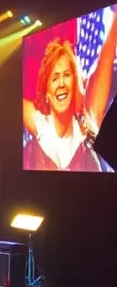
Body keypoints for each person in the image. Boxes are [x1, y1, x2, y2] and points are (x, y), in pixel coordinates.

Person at [23, 12, 116, 171]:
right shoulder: (41, 125)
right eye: (54, 78)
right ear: (47, 93)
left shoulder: (85, 125)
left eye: (66, 75)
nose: (61, 84)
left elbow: (105, 59)